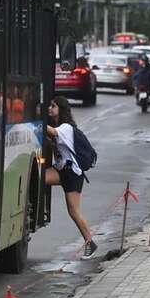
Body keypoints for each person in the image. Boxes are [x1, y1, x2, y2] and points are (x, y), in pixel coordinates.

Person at [45, 96, 97, 259]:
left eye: (53, 106)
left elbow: (52, 133)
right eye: (49, 105)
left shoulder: (66, 128)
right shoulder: (58, 127)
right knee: (40, 179)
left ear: (61, 109)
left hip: (73, 174)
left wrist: (37, 120)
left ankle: (90, 242)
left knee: (74, 211)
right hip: (61, 170)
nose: (49, 108)